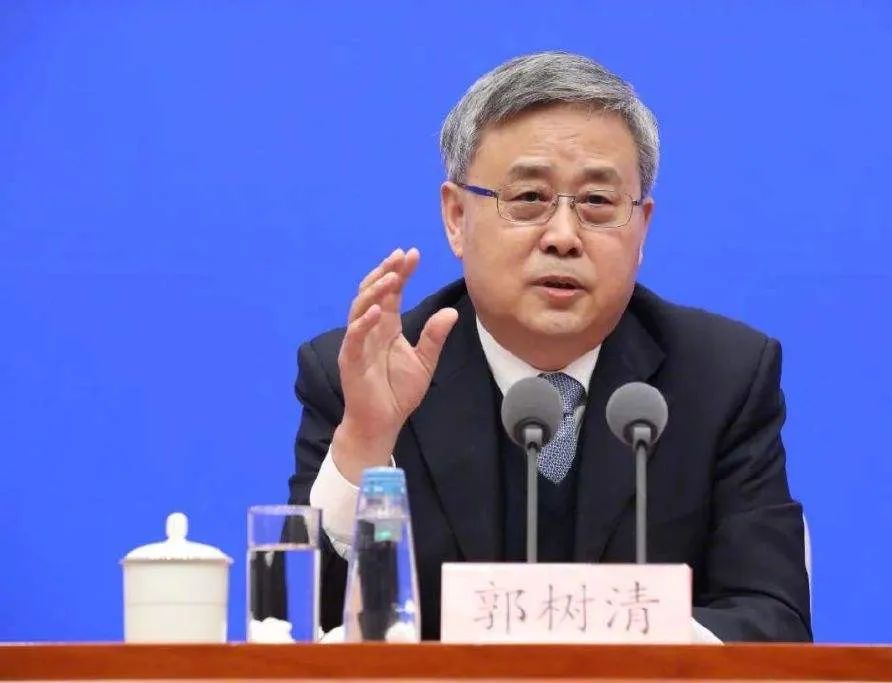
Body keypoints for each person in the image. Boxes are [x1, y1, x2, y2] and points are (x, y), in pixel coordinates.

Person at [288, 51, 811, 642]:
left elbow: (773, 622)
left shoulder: (722, 378)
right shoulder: (365, 376)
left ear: (641, 227)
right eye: (530, 198)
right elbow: (303, 630)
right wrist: (367, 440)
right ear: (456, 217)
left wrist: (629, 644)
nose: (563, 237)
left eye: (597, 203)